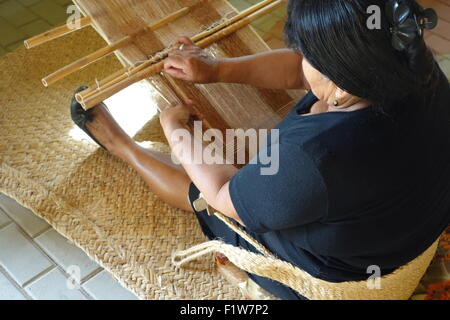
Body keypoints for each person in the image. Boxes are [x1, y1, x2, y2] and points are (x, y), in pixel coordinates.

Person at [71, 0, 450, 299]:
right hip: (402, 222)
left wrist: (174, 132)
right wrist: (215, 70)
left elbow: (221, 192)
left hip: (349, 267)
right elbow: (301, 71)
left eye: (309, 54)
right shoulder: (410, 64)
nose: (302, 60)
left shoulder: (315, 160)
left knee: (201, 195)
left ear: (341, 86)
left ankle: (120, 145)